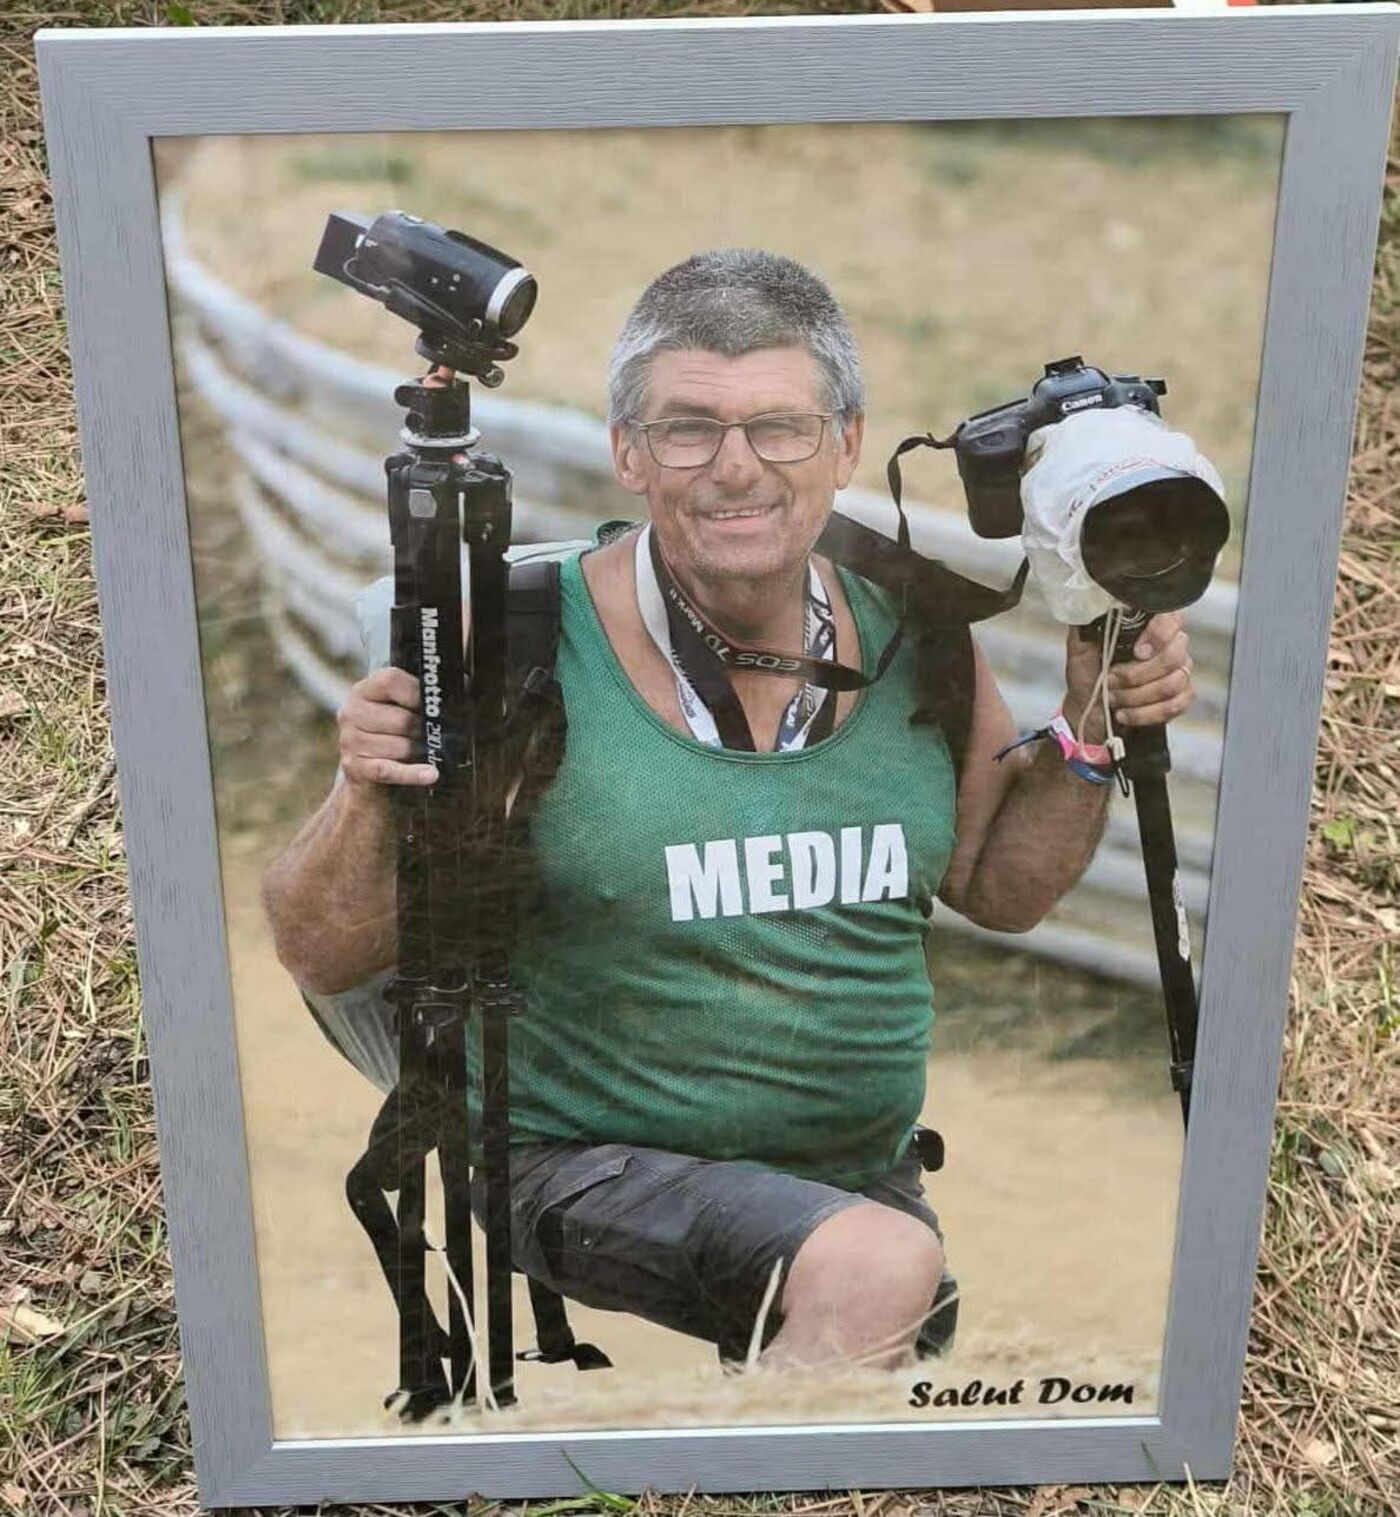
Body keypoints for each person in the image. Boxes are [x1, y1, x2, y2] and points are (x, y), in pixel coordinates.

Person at [261, 250, 1195, 1373]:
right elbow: (321, 949)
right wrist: (369, 788)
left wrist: (1092, 717)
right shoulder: (513, 643)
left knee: (879, 1300)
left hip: (854, 1184)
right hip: (574, 1159)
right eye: (688, 429)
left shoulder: (917, 631)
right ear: (627, 451)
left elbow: (998, 886)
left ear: (845, 443)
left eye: (782, 428)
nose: (737, 467)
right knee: (876, 1273)